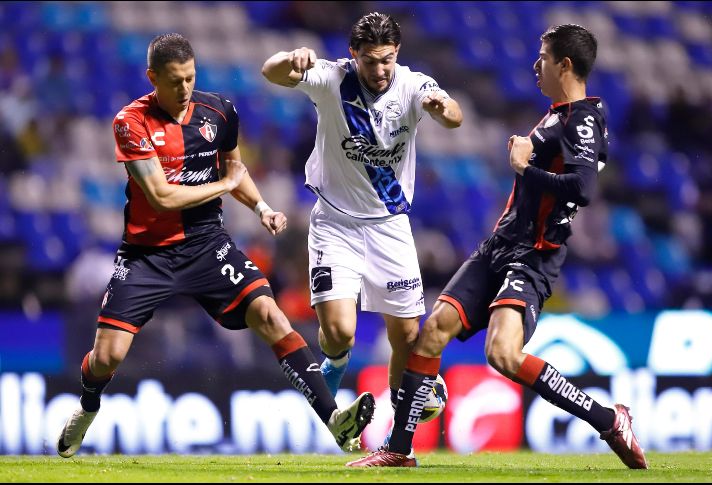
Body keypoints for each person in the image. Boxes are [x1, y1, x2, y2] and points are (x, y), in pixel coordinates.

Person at [56, 33, 375, 458]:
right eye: (173, 81)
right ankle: (88, 404)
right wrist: (226, 183)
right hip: (147, 254)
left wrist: (260, 206)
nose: (184, 88)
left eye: (190, 78)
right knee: (107, 357)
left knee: (270, 315)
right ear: (152, 78)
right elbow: (162, 197)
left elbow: (234, 169)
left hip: (207, 244)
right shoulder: (130, 123)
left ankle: (333, 418)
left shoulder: (219, 111)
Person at [347, 24, 649, 469]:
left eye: (543, 58)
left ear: (564, 64)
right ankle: (399, 449)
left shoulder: (582, 118)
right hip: (500, 245)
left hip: (534, 254)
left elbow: (582, 188)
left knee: (503, 355)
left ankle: (609, 419)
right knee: (433, 331)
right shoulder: (557, 114)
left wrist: (524, 168)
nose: (535, 66)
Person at [261, 12, 463, 420]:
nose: (380, 70)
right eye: (370, 61)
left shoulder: (413, 85)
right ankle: (334, 365)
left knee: (407, 337)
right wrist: (292, 59)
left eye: (387, 59)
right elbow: (270, 70)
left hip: (390, 227)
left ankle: (395, 437)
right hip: (335, 224)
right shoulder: (332, 78)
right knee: (339, 332)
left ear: (397, 53)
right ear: (354, 55)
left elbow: (454, 116)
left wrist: (443, 108)